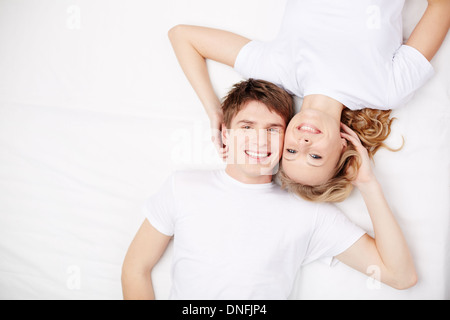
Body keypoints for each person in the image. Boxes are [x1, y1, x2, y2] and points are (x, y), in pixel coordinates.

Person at [121, 79, 417, 300]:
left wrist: (368, 185)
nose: (260, 142)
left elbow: (400, 276)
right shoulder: (182, 187)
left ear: (288, 138)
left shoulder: (309, 213)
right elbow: (136, 267)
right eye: (247, 127)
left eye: (273, 130)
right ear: (225, 133)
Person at [168, 0, 450, 202]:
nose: (303, 145)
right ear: (343, 146)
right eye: (315, 156)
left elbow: (182, 36)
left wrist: (214, 110)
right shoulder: (388, 90)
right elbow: (441, 7)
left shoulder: (277, 72)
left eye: (290, 152)